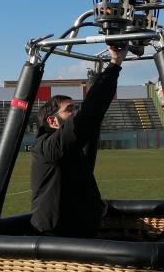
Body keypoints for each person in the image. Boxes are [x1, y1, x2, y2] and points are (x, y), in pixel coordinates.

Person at [30, 44, 127, 236]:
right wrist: (115, 63)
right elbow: (89, 114)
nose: (74, 113)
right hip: (56, 241)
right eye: (69, 110)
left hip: (79, 235)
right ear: (52, 120)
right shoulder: (47, 146)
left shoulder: (70, 148)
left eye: (75, 109)